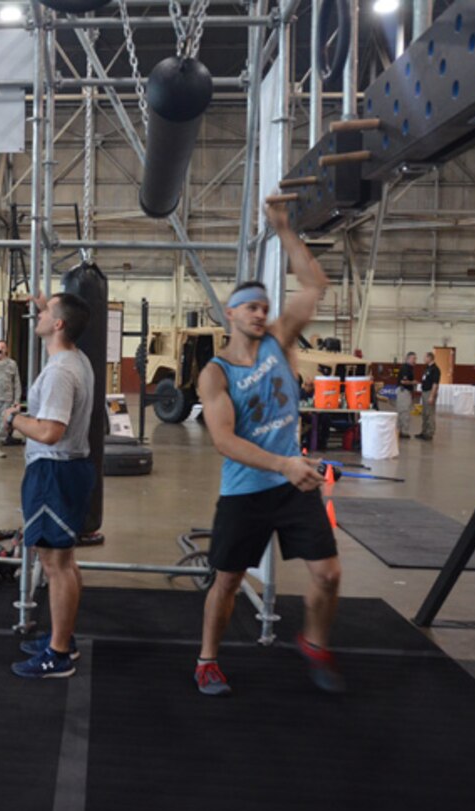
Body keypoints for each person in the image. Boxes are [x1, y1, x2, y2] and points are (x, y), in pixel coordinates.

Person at [194, 202, 343, 697]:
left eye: (264, 306)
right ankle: (208, 660)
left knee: (327, 574)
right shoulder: (216, 373)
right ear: (231, 313)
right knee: (229, 582)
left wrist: (284, 228)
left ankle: (314, 643)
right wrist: (283, 462)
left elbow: (314, 287)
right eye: (251, 307)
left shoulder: (281, 340)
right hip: (247, 491)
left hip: (293, 483)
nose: (261, 313)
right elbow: (223, 441)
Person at [2, 292, 95, 679]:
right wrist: (48, 299)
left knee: (55, 565)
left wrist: (13, 419)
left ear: (58, 324)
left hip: (52, 471)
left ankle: (57, 654)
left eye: (43, 312)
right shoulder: (76, 358)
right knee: (64, 562)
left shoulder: (60, 372)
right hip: (67, 470)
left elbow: (50, 431)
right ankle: (63, 639)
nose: (36, 315)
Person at [417, 351, 441, 441]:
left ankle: (429, 433)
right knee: (424, 413)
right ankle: (424, 431)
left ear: (429, 358)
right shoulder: (427, 368)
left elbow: (435, 384)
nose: (424, 359)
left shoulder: (435, 369)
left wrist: (432, 396)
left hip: (430, 392)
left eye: (425, 357)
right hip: (424, 391)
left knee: (430, 413)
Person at [396, 351, 417, 439]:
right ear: (408, 358)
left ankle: (400, 430)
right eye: (413, 358)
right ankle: (403, 431)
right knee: (404, 411)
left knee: (402, 411)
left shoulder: (410, 368)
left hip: (405, 392)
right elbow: (403, 381)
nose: (415, 360)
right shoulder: (405, 368)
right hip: (403, 391)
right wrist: (413, 382)